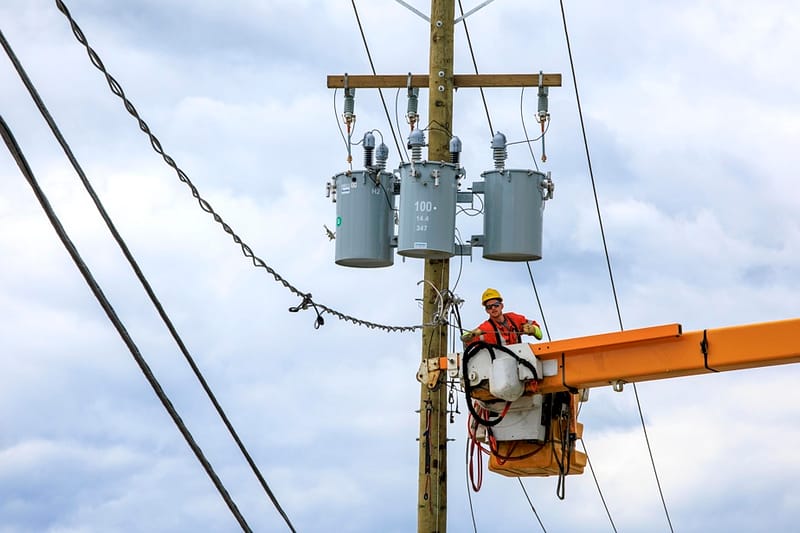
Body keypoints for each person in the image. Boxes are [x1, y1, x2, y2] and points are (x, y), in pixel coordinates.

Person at [460, 288, 543, 345]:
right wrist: (471, 334)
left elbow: (540, 335)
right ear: (487, 310)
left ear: (501, 306)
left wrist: (533, 330)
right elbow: (465, 340)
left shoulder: (515, 319)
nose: (493, 308)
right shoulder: (486, 328)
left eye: (496, 305)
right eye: (489, 307)